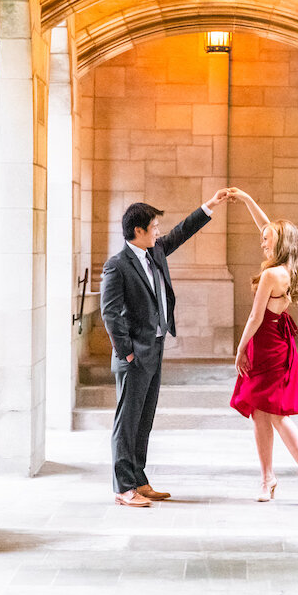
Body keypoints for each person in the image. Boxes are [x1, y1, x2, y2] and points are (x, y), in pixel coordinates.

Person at [100, 190, 230, 507]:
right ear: (139, 231)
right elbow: (110, 313)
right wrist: (127, 352)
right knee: (126, 422)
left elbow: (180, 232)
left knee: (144, 420)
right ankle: (122, 487)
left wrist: (208, 207)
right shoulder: (117, 265)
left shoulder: (155, 251)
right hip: (134, 356)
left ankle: (139, 480)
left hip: (155, 350)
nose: (159, 231)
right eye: (154, 226)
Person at [226, 187, 298, 504]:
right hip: (275, 343)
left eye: (267, 240)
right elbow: (267, 226)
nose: (262, 241)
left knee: (275, 415)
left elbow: (256, 316)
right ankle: (268, 479)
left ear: (279, 244)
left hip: (267, 344)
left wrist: (240, 349)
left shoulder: (272, 274)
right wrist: (246, 199)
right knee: (261, 412)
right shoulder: (285, 269)